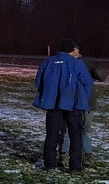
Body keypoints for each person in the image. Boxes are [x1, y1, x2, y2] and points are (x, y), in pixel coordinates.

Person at [33, 38, 94, 172]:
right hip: (73, 104)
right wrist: (85, 99)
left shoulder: (47, 62)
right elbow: (88, 82)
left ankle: (49, 164)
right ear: (71, 50)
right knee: (76, 135)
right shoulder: (76, 63)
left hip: (53, 105)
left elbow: (38, 83)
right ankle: (75, 166)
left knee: (52, 134)